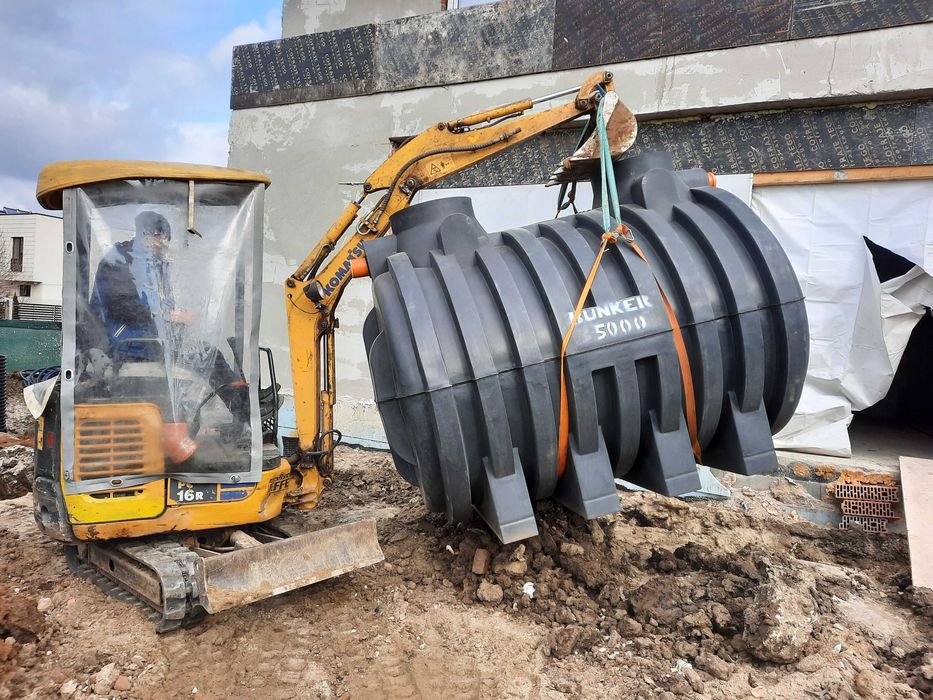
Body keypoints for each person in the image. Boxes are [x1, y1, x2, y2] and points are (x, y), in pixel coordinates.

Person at [89, 211, 250, 462]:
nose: (163, 244)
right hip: (127, 345)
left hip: (151, 342)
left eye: (165, 239)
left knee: (209, 354)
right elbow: (121, 304)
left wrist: (178, 325)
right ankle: (241, 413)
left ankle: (244, 410)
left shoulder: (156, 264)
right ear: (145, 234)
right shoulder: (119, 260)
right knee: (203, 360)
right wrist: (167, 315)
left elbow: (160, 306)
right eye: (159, 238)